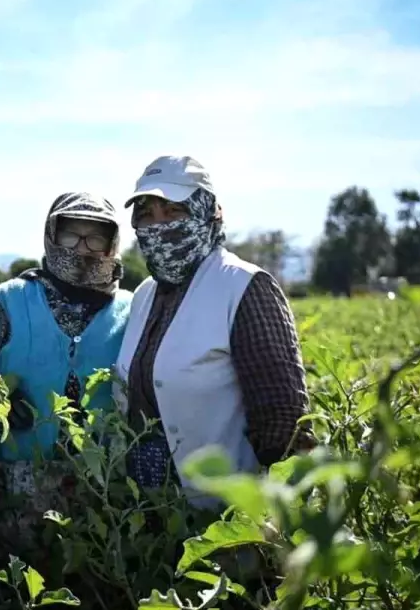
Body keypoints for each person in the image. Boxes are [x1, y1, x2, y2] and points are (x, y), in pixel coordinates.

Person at [113, 156, 312, 506]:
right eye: (146, 215)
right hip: (145, 513)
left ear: (208, 212)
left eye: (173, 211)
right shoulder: (146, 294)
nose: (158, 226)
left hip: (221, 513)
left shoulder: (244, 287)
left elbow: (283, 426)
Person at [0, 193, 131, 548]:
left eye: (95, 237)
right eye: (71, 235)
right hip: (13, 480)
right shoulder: (11, 300)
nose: (82, 249)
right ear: (52, 236)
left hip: (103, 485)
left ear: (112, 245)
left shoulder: (133, 310)